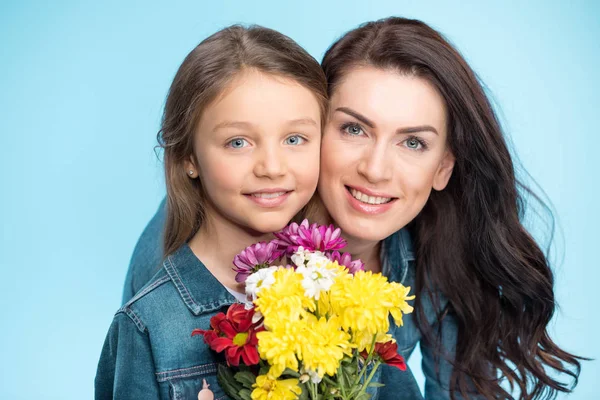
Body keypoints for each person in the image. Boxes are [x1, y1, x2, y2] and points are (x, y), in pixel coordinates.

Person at [120, 17, 583, 399]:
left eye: (413, 142)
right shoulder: (192, 247)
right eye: (354, 130)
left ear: (443, 168)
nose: (376, 169)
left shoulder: (437, 249)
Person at [95, 24, 328, 399]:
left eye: (294, 139)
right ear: (189, 157)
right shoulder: (148, 325)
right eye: (238, 142)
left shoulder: (335, 291)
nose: (272, 166)